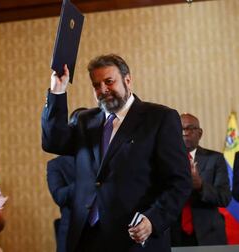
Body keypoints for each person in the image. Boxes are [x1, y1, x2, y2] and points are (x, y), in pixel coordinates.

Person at [41, 54, 192, 252]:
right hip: (86, 238)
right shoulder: (85, 121)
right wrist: (57, 91)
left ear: (127, 80)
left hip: (135, 240)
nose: (103, 89)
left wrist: (153, 220)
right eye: (96, 85)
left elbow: (180, 181)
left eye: (109, 81)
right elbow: (53, 142)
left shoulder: (159, 118)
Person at [170, 113, 231, 246]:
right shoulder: (165, 161)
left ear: (200, 133)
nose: (185, 133)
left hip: (208, 234)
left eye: (190, 128)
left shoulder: (215, 159)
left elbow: (224, 197)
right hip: (173, 235)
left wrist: (201, 186)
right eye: (180, 129)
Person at [46, 107, 87, 252]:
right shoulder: (56, 165)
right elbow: (60, 196)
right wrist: (86, 182)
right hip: (71, 234)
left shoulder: (104, 160)